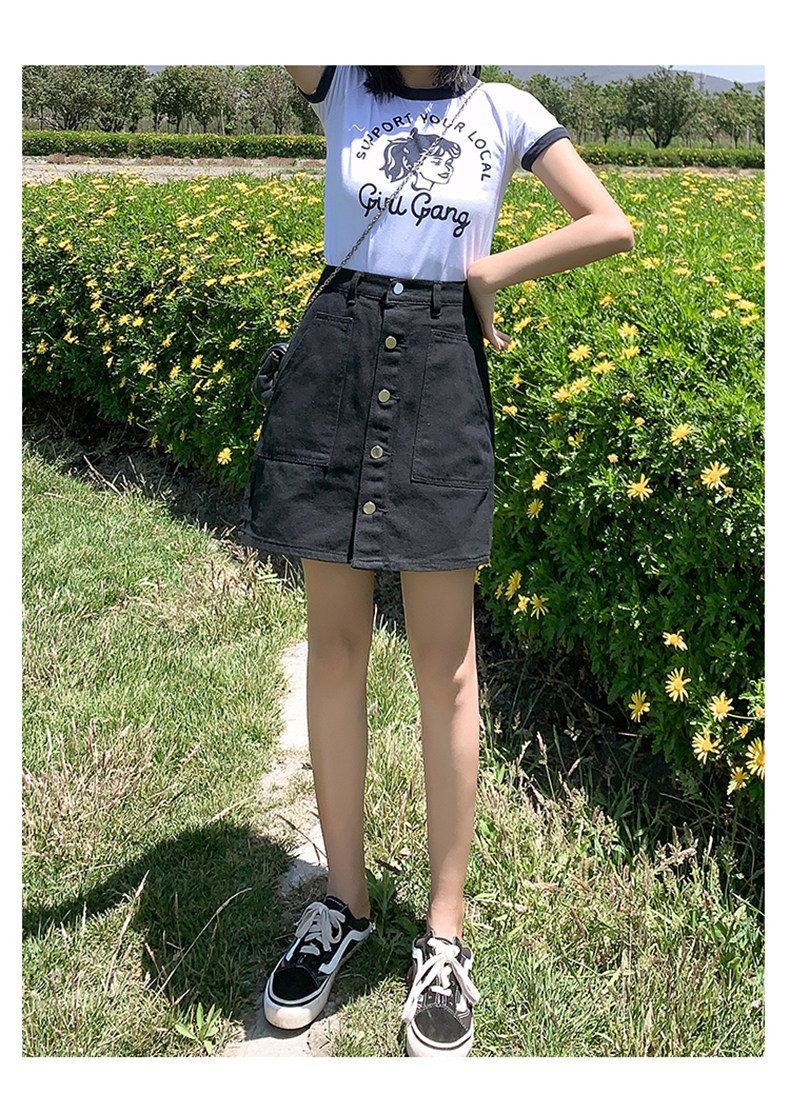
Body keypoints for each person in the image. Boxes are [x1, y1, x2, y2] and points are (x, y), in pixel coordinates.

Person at [237, 64, 634, 1058]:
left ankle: (444, 932)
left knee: (446, 672)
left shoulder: (506, 109)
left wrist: (492, 271)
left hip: (443, 374)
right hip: (338, 362)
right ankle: (344, 900)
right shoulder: (341, 83)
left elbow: (607, 222)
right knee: (335, 649)